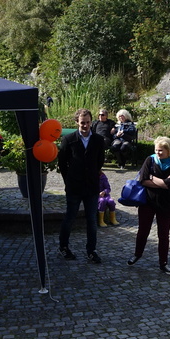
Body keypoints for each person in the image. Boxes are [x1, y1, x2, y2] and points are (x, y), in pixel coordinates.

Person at [127, 136, 170, 275]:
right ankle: (137, 254)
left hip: (165, 204)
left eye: (161, 150)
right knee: (143, 230)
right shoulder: (150, 160)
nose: (158, 153)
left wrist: (152, 178)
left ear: (169, 151)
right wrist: (161, 182)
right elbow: (143, 180)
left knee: (164, 235)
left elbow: (168, 184)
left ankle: (163, 263)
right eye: (156, 150)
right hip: (148, 202)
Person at [58, 108, 106, 263]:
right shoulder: (68, 139)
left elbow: (100, 161)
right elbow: (62, 163)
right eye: (82, 123)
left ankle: (91, 250)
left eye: (87, 122)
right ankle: (63, 247)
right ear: (77, 122)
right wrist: (68, 180)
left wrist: (92, 174)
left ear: (91, 122)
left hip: (91, 186)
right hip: (74, 186)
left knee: (92, 220)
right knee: (70, 217)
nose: (85, 126)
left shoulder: (98, 140)